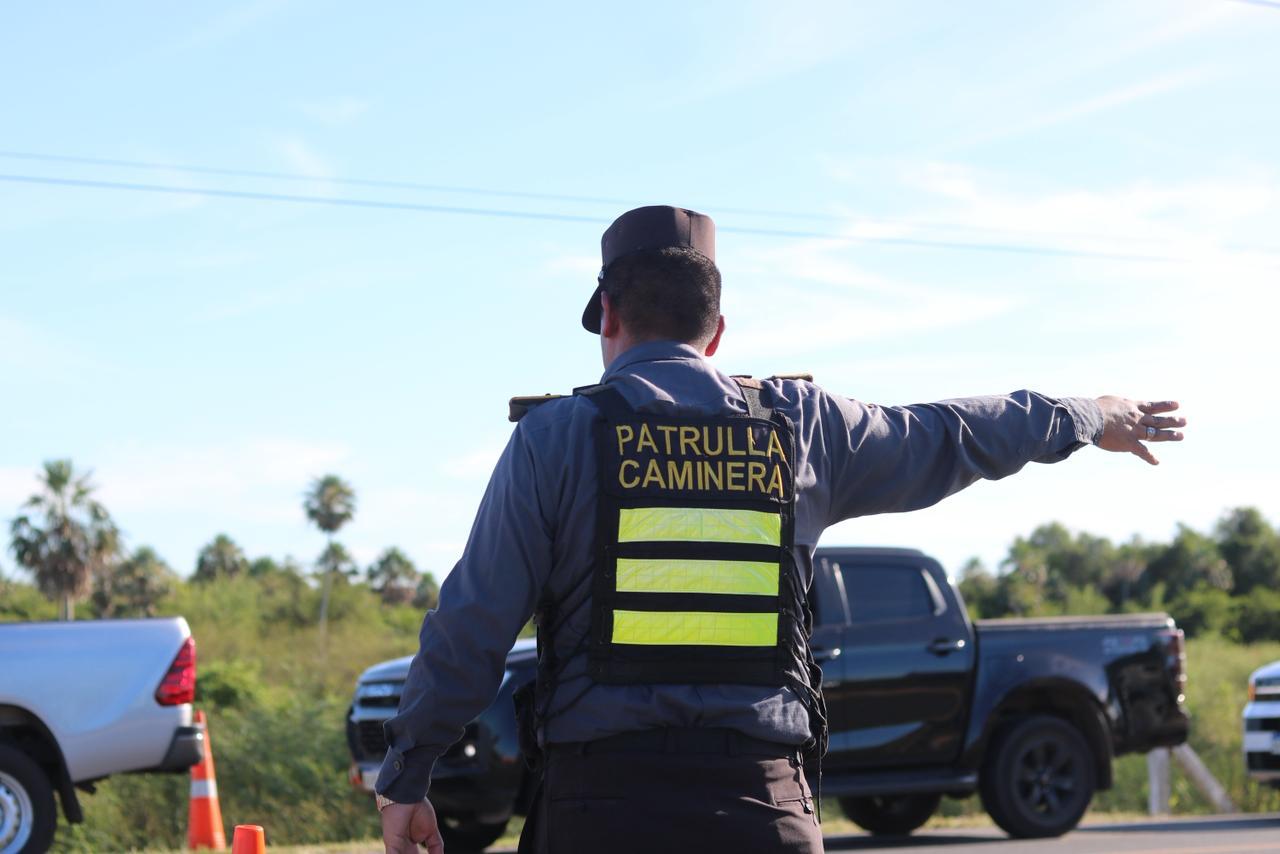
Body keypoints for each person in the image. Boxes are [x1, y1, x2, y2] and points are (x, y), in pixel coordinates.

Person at [376, 205, 1185, 854]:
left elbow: (473, 626)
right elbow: (952, 434)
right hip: (763, 810)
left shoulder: (553, 439)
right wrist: (1088, 415)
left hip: (599, 811)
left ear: (608, 316)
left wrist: (407, 775)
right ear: (717, 333)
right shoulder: (804, 426)